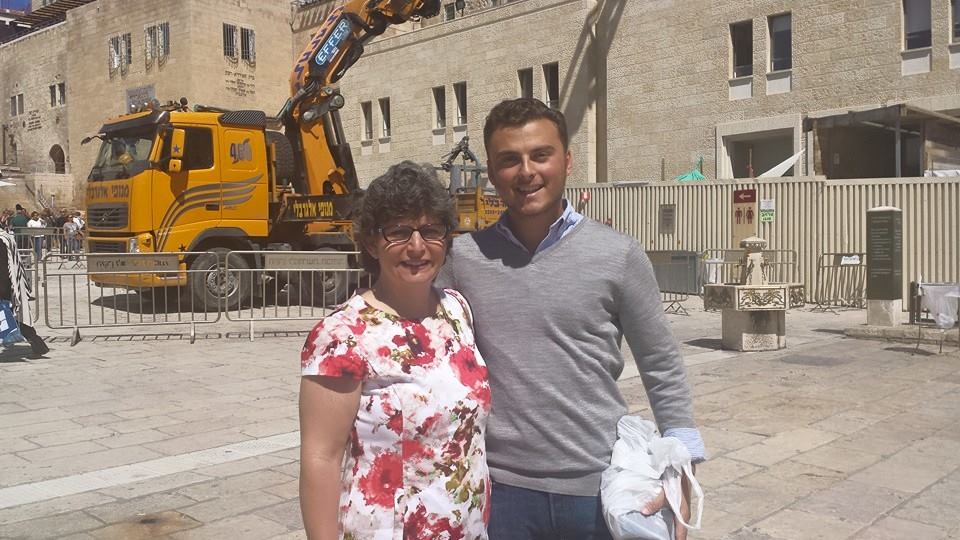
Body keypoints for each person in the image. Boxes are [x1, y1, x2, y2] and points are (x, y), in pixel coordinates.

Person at [436, 98, 704, 539]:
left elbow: (661, 365)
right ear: (492, 172)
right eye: (509, 160)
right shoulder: (463, 259)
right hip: (498, 492)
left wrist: (683, 469)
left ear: (567, 160)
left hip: (596, 491)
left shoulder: (618, 254)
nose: (526, 171)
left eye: (541, 154)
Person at [299, 161, 490, 539]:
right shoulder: (342, 335)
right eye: (399, 232)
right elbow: (321, 458)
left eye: (430, 231)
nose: (417, 246)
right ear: (372, 242)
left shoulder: (456, 310)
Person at [0, 229, 49, 355]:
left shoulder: (2, 240)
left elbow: (3, 268)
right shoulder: (6, 237)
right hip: (9, 285)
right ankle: (37, 344)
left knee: (14, 316)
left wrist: (3, 291)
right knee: (16, 317)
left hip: (5, 286)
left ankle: (36, 342)